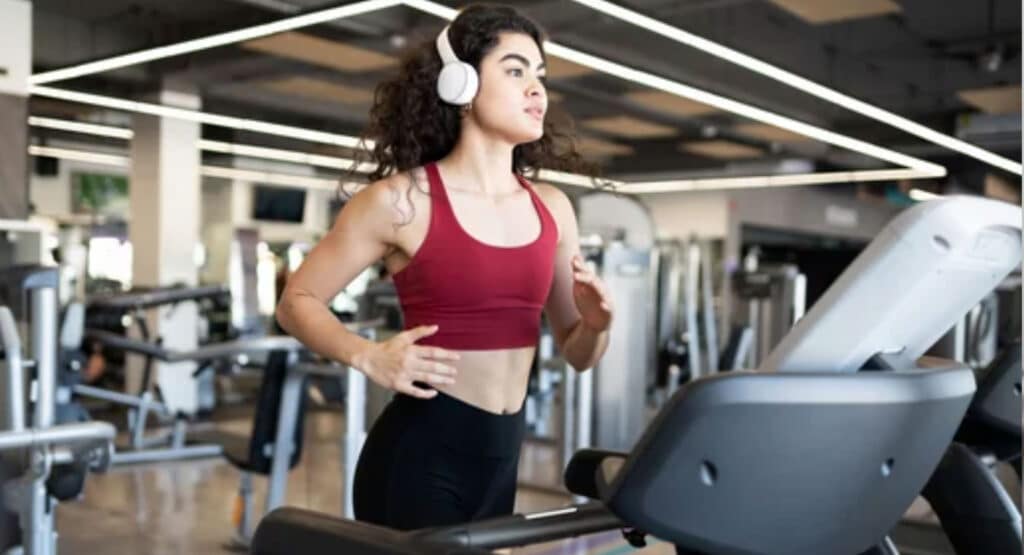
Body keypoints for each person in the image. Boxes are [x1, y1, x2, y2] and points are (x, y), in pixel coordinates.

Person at [275, 3, 613, 530]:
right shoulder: (401, 202)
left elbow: (580, 355)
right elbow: (296, 302)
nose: (537, 90)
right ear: (460, 84)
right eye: (515, 70)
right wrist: (365, 355)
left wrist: (596, 327)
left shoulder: (552, 207)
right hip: (419, 458)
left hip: (501, 463)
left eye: (540, 76)